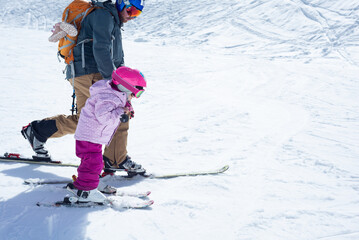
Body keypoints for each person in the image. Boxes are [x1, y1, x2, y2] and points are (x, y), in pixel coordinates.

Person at [21, 0, 146, 179]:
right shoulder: (104, 15)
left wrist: (124, 84)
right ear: (120, 4)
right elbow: (101, 49)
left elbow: (116, 58)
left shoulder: (111, 19)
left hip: (94, 72)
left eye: (136, 14)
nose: (131, 16)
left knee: (99, 117)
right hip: (90, 72)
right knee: (105, 115)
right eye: (130, 10)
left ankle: (38, 131)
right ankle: (115, 159)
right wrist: (114, 83)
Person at [67, 66, 147, 203]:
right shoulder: (108, 97)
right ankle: (85, 191)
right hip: (89, 135)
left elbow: (119, 103)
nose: (135, 97)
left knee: (93, 162)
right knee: (93, 162)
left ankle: (90, 182)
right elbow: (103, 116)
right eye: (136, 94)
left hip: (93, 135)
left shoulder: (113, 93)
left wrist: (126, 108)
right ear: (125, 87)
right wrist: (120, 112)